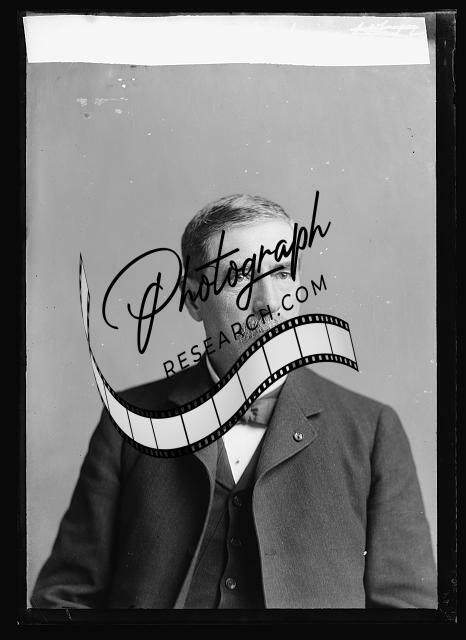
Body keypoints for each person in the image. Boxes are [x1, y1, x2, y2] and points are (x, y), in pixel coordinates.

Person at [31, 194, 437, 609]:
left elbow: (408, 611)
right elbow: (63, 600)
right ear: (193, 299)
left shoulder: (372, 430)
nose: (269, 302)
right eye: (240, 277)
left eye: (282, 273)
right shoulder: (130, 422)